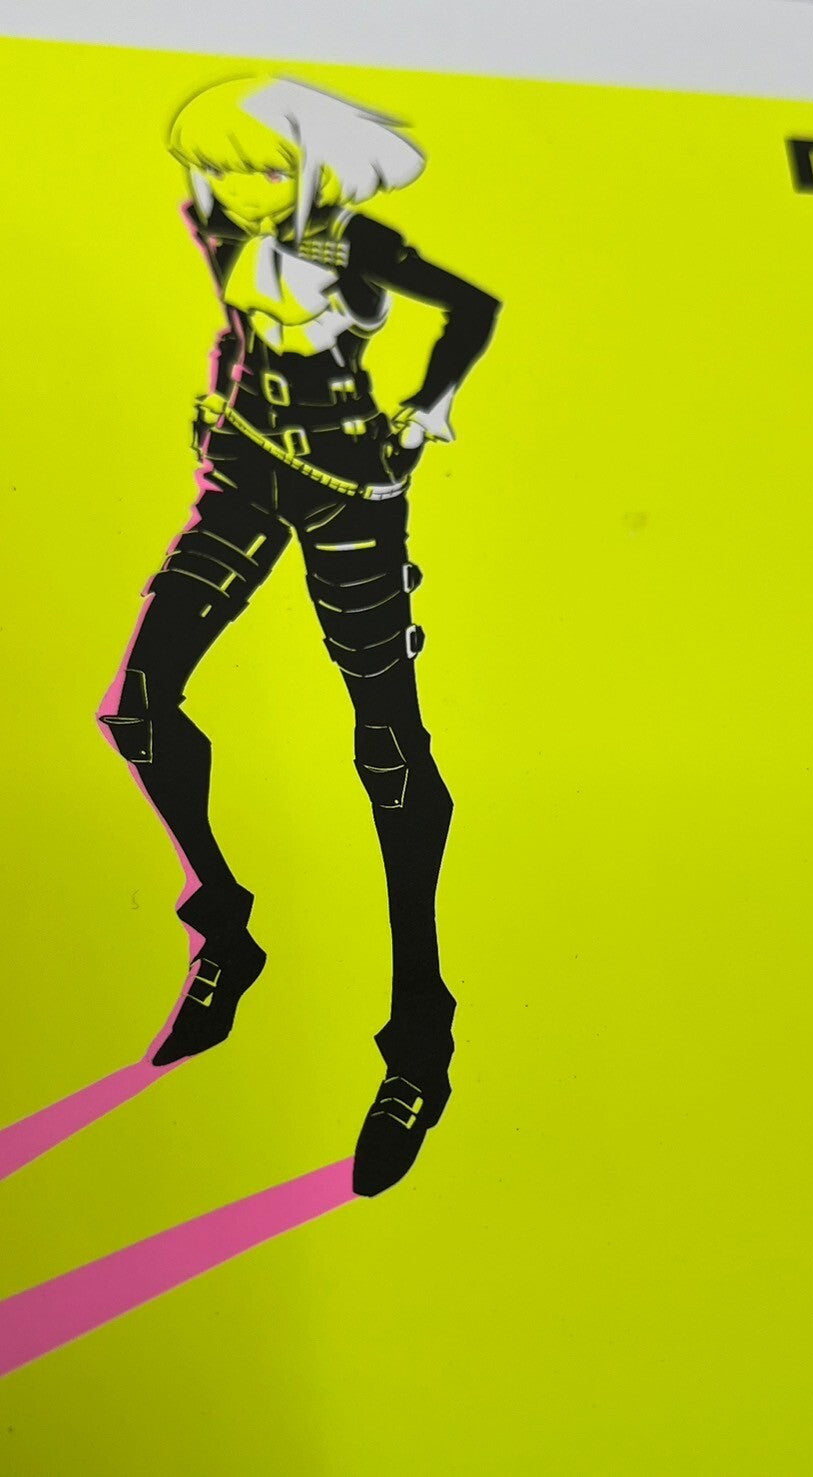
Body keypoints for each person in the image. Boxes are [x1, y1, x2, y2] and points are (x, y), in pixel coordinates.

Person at [97, 75, 500, 1197]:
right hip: (245, 474)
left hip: (348, 485)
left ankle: (418, 1036)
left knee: (387, 746)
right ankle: (226, 929)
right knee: (140, 707)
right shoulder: (216, 224)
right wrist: (218, 401)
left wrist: (423, 415)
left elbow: (472, 309)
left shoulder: (356, 244)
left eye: (260, 168)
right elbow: (237, 315)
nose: (236, 189)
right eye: (221, 169)